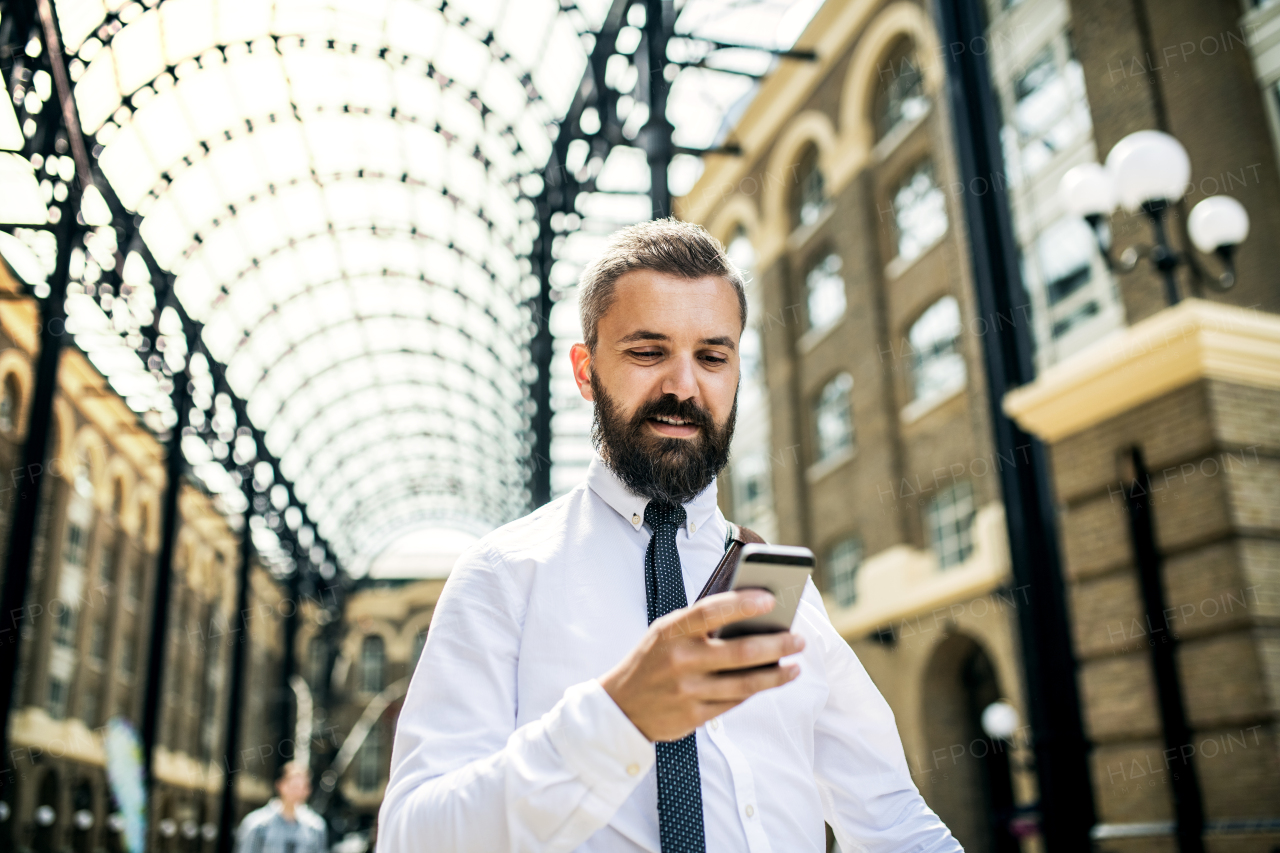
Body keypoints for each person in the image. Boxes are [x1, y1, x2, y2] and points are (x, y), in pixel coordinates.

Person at [378, 219, 960, 852]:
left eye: (712, 357)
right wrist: (618, 717)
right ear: (584, 371)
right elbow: (414, 836)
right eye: (648, 352)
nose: (684, 386)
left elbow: (892, 818)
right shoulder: (501, 575)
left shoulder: (775, 585)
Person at [234, 761, 327, 853]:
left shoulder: (315, 827)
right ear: (280, 785)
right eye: (294, 786)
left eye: (303, 787)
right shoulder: (258, 824)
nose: (298, 793)